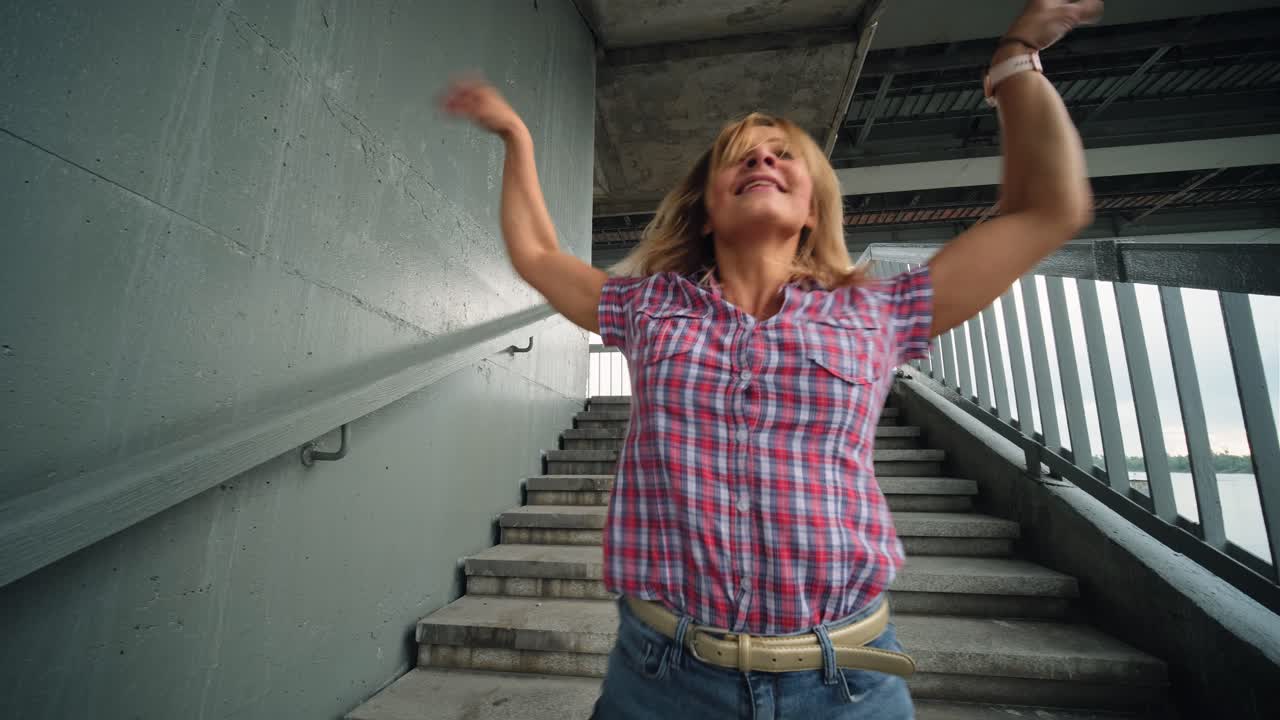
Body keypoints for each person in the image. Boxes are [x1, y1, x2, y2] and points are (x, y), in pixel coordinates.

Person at [441, 1, 1101, 716]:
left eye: (783, 154)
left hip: (845, 684)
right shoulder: (648, 306)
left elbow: (1046, 209)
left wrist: (1016, 59)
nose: (762, 159)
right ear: (706, 212)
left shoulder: (876, 312)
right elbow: (539, 255)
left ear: (813, 208)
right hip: (661, 679)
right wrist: (516, 137)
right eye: (741, 156)